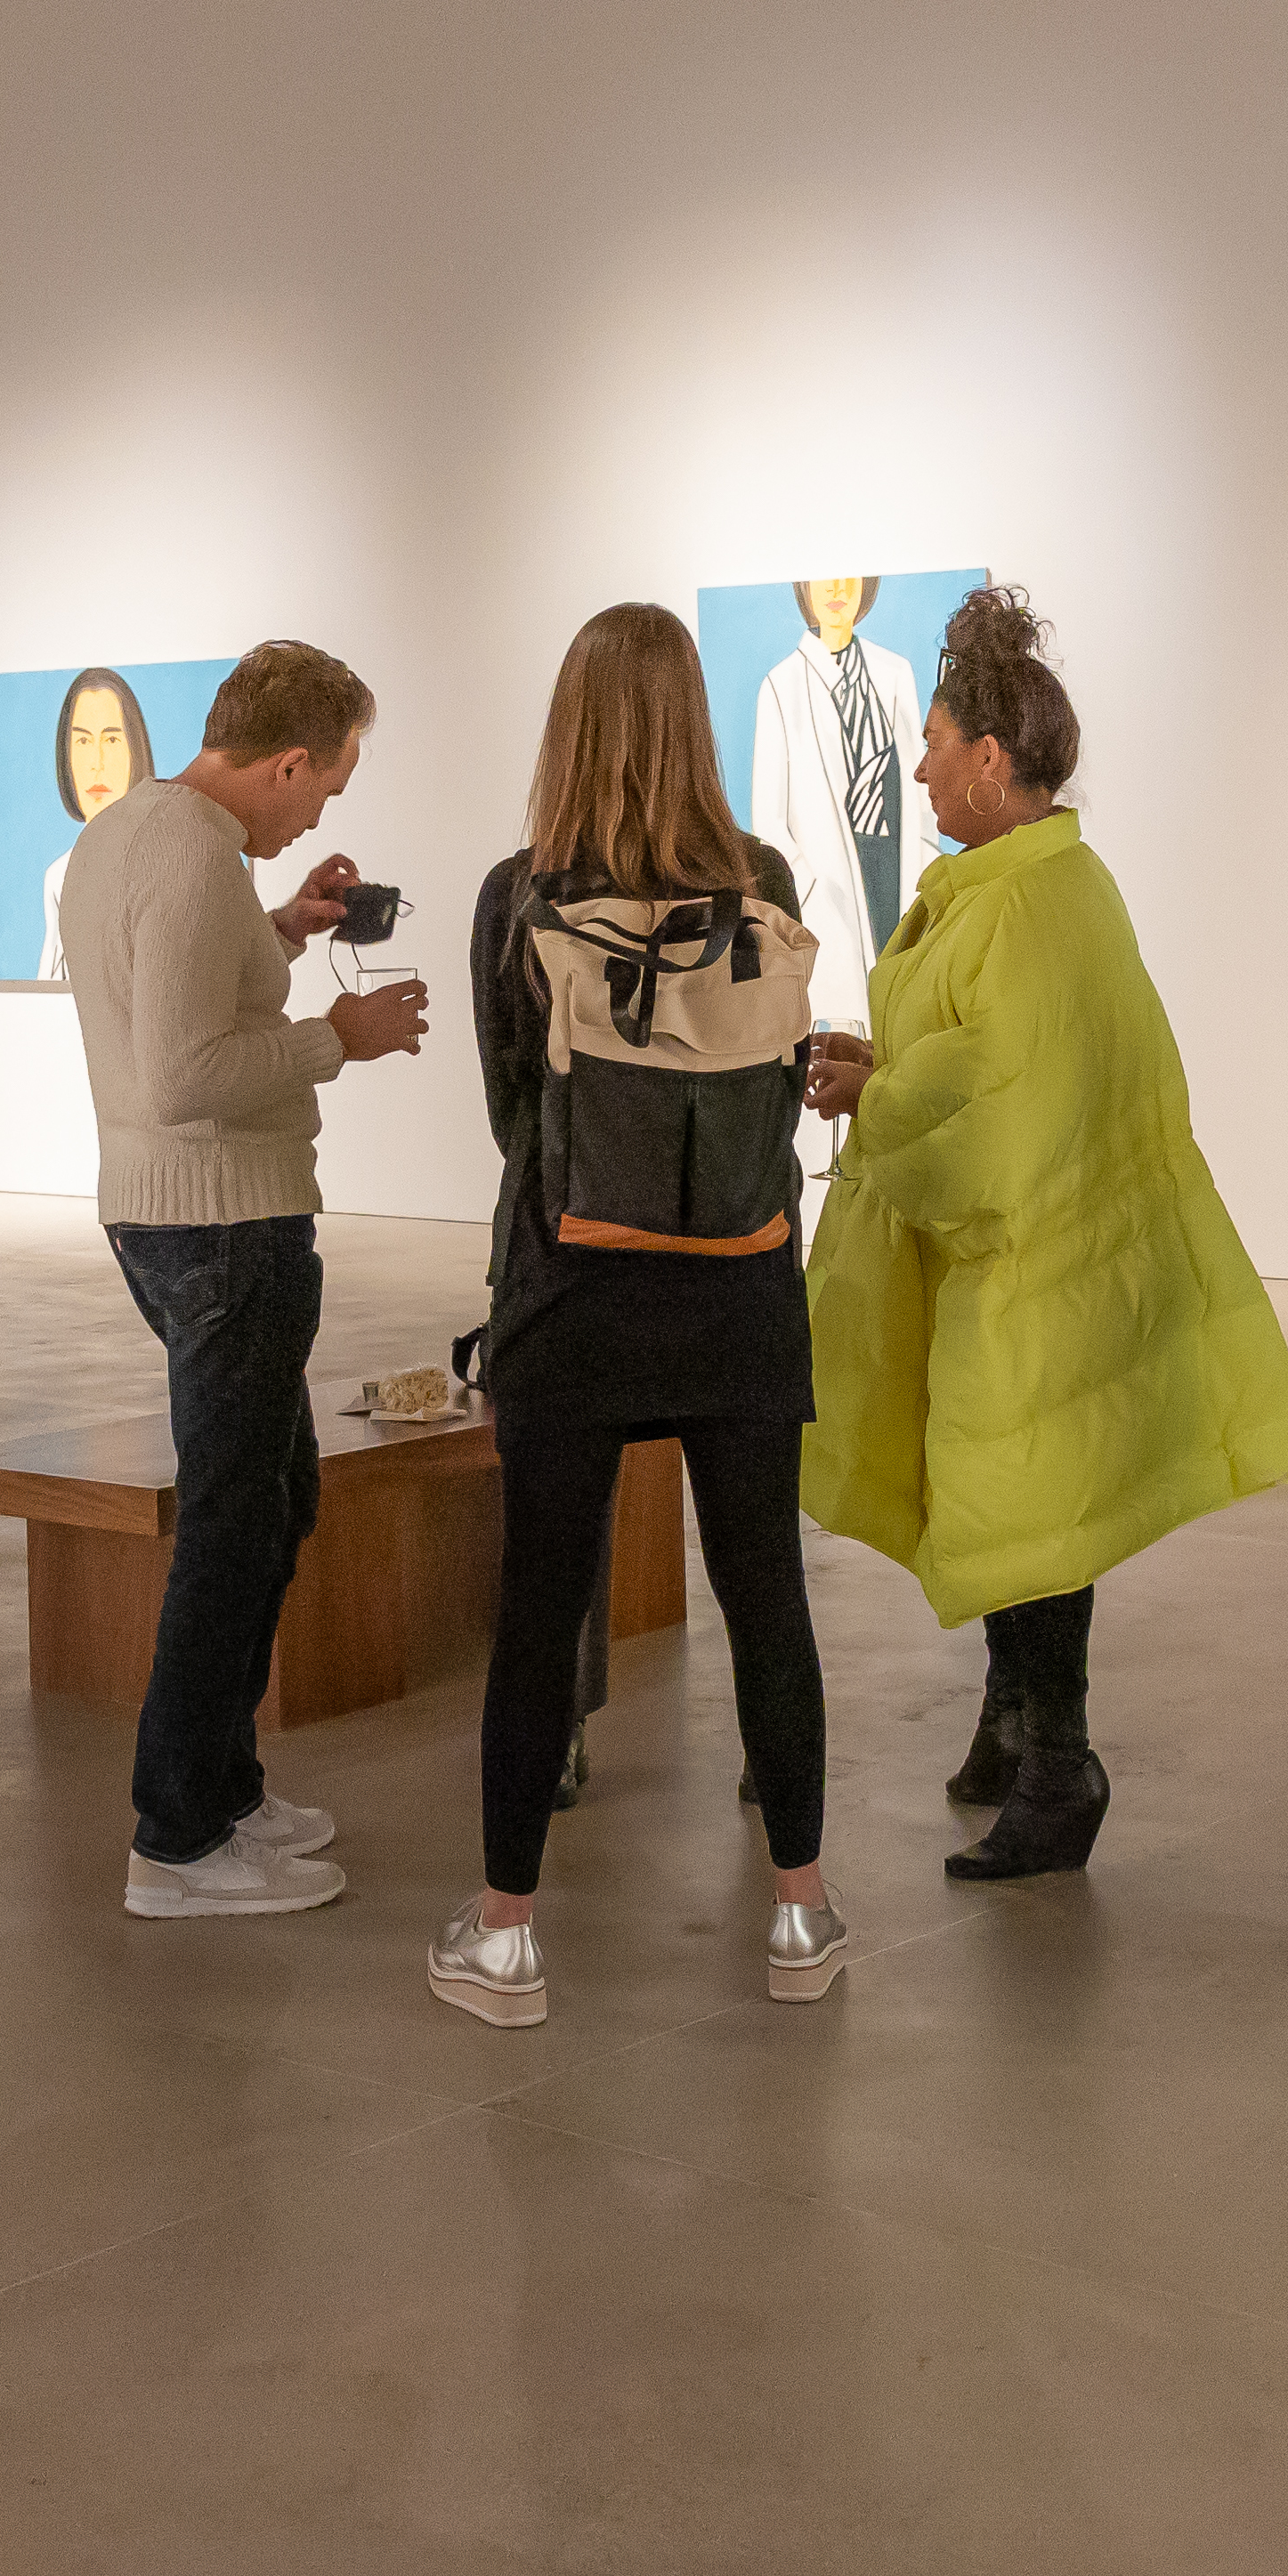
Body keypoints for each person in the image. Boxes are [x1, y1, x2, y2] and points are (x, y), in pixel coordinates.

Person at [798, 586, 1288, 1884]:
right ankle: (1014, 1724)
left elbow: (1001, 1106)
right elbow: (985, 1059)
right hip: (1035, 1258)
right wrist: (892, 1068)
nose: (916, 762)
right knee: (1011, 1497)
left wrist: (880, 1091)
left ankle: (1059, 1766)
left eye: (933, 741)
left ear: (990, 758)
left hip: (1035, 1263)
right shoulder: (1028, 885)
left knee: (1026, 1505)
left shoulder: (1026, 901)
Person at [430, 606, 853, 2024]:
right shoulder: (765, 881)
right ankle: (800, 1916)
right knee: (765, 1602)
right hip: (739, 1292)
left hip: (570, 1294)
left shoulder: (516, 896)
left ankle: (504, 1938)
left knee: (542, 1611)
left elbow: (510, 1116)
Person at [61, 639, 425, 1921]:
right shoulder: (182, 854)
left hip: (198, 1226)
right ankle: (175, 1836)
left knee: (273, 1503)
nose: (319, 812)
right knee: (233, 1528)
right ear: (282, 761)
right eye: (320, 787)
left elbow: (182, 989)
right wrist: (341, 1036)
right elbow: (181, 1078)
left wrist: (283, 927)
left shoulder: (141, 837)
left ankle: (222, 1786)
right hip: (220, 1228)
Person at [748, 574, 922, 1025]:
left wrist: (926, 874)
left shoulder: (895, 673)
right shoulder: (781, 687)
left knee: (904, 1016)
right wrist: (811, 898)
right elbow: (768, 824)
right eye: (822, 577)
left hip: (895, 874)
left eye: (849, 576)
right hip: (827, 899)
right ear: (803, 588)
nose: (837, 588)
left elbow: (921, 789)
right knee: (843, 1037)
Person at [23, 670, 156, 989]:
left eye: (111, 739)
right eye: (82, 740)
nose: (96, 762)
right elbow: (48, 986)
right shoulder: (59, 876)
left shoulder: (166, 862)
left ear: (134, 749)